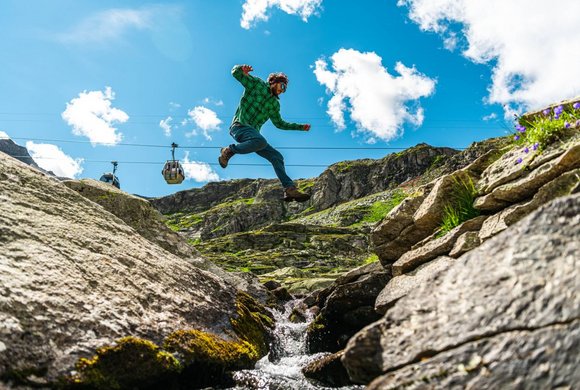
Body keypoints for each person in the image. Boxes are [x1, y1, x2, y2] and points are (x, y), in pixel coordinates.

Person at [219, 64, 311, 202]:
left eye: (284, 90)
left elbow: (279, 123)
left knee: (277, 156)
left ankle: (289, 189)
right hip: (239, 126)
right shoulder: (257, 85)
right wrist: (240, 70)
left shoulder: (274, 104)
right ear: (273, 82)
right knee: (260, 141)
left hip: (253, 136)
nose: (282, 91)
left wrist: (300, 127)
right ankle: (228, 151)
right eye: (282, 87)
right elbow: (236, 74)